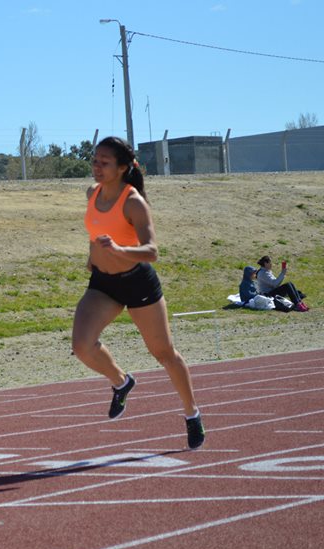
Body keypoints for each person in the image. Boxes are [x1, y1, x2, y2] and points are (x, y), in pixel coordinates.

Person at [71, 136, 205, 449]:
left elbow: (152, 251)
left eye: (104, 162)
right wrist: (93, 257)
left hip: (137, 281)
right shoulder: (92, 193)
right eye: (95, 160)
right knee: (81, 345)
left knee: (164, 354)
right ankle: (121, 381)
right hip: (104, 284)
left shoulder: (133, 202)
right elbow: (96, 231)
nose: (97, 167)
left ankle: (191, 413)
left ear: (121, 168)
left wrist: (119, 249)